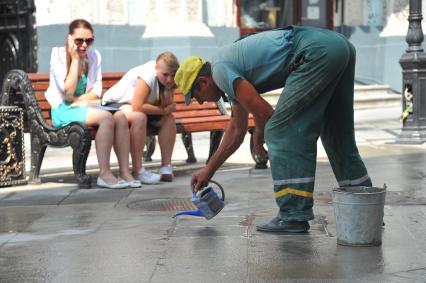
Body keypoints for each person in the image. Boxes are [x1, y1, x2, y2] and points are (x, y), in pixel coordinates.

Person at [174, 25, 372, 233]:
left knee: (280, 131)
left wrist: (260, 135)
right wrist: (209, 169)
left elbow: (265, 113)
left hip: (315, 51)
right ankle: (365, 206)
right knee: (335, 133)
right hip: (338, 46)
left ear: (203, 82)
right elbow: (237, 129)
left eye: (196, 97)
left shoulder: (220, 71)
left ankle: (293, 215)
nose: (200, 102)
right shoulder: (227, 70)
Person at [45, 19, 141, 189]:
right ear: (69, 39)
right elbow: (67, 93)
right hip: (63, 110)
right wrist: (74, 60)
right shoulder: (58, 55)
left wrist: (80, 101)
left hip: (83, 106)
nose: (84, 45)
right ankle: (104, 174)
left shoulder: (94, 56)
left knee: (119, 116)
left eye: (88, 41)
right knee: (106, 118)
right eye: (79, 40)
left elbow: (96, 90)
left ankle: (125, 172)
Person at [102, 52, 178, 183]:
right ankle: (138, 170)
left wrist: (166, 94)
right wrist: (164, 109)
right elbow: (138, 106)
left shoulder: (168, 81)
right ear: (156, 69)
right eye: (165, 75)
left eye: (172, 75)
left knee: (169, 119)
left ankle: (166, 166)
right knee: (140, 117)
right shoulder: (148, 74)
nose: (169, 79)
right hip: (115, 105)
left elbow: (167, 106)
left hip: (134, 107)